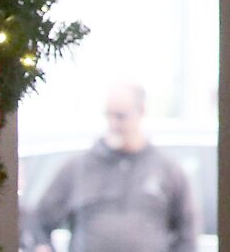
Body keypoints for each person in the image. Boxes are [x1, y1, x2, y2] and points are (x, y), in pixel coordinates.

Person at [24, 83, 198, 252]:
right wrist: (41, 246)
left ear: (141, 112)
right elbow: (39, 221)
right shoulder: (78, 169)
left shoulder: (167, 170)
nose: (114, 124)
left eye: (121, 116)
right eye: (109, 115)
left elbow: (187, 233)